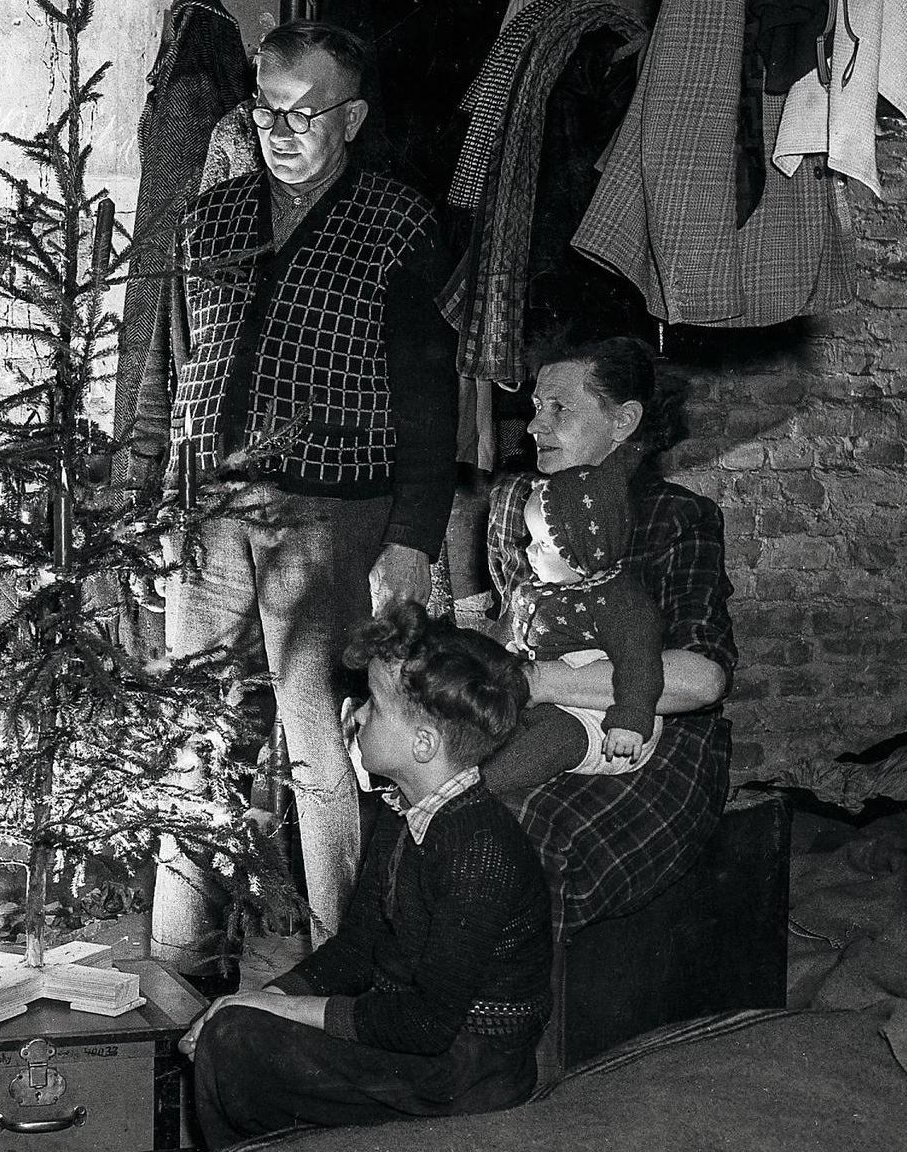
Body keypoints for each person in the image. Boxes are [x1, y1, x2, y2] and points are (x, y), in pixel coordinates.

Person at [155, 20, 458, 981]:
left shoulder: (398, 224)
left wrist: (411, 536)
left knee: (318, 741)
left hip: (331, 518)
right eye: (268, 108)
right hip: (209, 512)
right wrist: (158, 501)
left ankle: (342, 965)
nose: (283, 129)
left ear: (352, 116)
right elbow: (177, 368)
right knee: (193, 730)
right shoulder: (209, 220)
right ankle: (182, 961)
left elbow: (428, 393)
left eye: (306, 111)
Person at [180, 602, 549, 1151]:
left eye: (374, 704)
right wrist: (258, 998)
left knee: (236, 1043)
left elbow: (427, 1024)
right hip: (421, 1046)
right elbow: (356, 952)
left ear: (423, 743)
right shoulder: (404, 813)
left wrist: (273, 1011)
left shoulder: (479, 847)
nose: (354, 714)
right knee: (234, 1028)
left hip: (467, 1071)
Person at [484, 336, 735, 939]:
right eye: (535, 406)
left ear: (623, 421)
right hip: (541, 714)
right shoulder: (518, 502)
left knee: (526, 837)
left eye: (559, 409)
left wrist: (544, 682)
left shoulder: (677, 516)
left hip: (648, 730)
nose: (534, 426)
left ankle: (502, 1016)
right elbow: (513, 624)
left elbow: (702, 679)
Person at [479, 454, 664, 797]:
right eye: (531, 540)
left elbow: (641, 663)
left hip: (599, 717)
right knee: (486, 719)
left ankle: (475, 786)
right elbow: (502, 635)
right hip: (540, 699)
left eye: (543, 545)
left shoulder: (620, 601)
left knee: (551, 739)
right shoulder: (534, 588)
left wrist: (630, 721)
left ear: (585, 550)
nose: (529, 552)